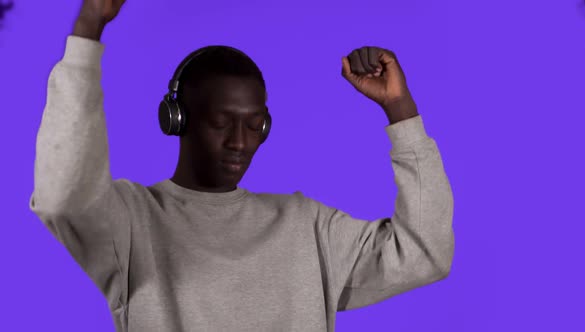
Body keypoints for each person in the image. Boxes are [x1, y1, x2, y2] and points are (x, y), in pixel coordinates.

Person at [28, 0, 455, 331]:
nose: (239, 142)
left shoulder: (306, 227)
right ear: (176, 119)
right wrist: (88, 30)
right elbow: (63, 195)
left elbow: (424, 253)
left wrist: (400, 110)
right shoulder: (131, 222)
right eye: (220, 123)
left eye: (255, 125)